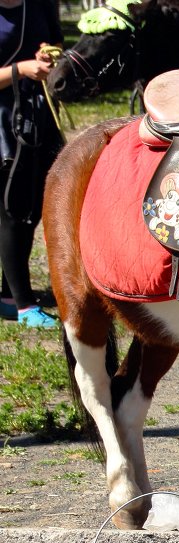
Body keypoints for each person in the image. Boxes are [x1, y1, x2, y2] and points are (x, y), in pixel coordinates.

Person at [0, 0, 63, 328]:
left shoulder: (41, 3)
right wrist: (20, 70)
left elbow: (55, 41)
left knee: (33, 206)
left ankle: (8, 293)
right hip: (3, 120)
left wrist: (46, 56)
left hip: (35, 115)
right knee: (12, 209)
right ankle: (22, 304)